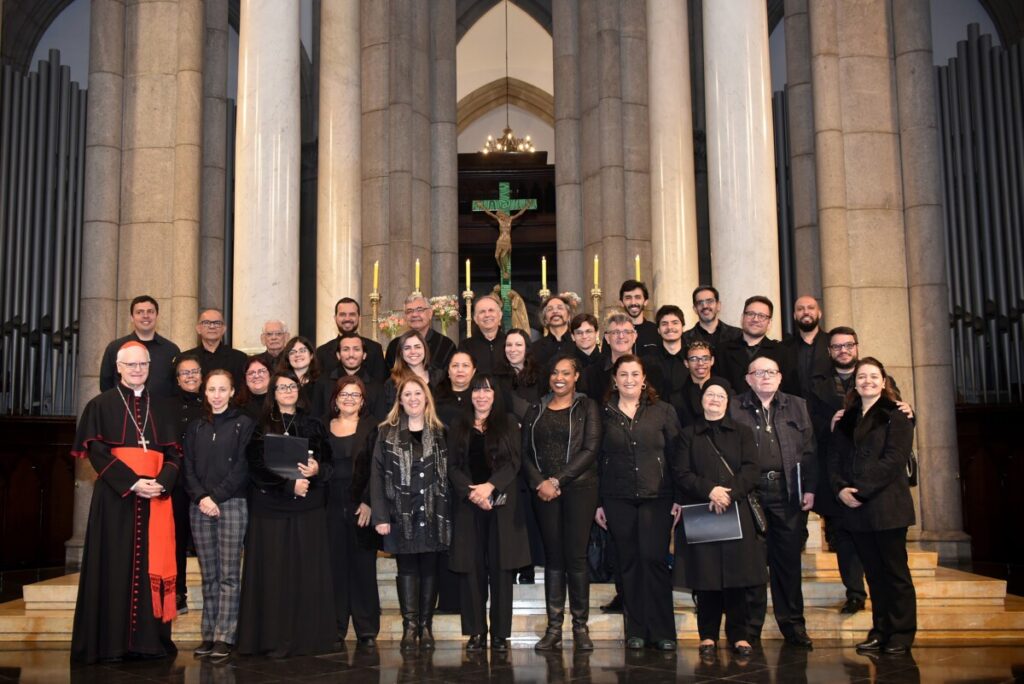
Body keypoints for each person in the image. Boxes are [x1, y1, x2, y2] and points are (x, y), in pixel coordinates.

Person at [70, 341, 181, 664]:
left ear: (150, 367)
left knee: (151, 564)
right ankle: (111, 644)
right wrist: (133, 482)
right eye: (130, 365)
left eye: (142, 365)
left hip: (155, 498)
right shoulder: (101, 405)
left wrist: (160, 484)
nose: (137, 370)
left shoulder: (163, 407)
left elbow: (174, 454)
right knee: (114, 563)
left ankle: (149, 642)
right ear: (118, 367)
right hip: (116, 500)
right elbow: (97, 451)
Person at [237, 371, 335, 657]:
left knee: (306, 574)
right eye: (282, 387)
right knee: (273, 575)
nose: (288, 391)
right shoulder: (261, 425)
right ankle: (270, 639)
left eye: (292, 386)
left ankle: (308, 639)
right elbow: (255, 467)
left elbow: (328, 465)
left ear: (299, 390)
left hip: (308, 508)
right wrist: (289, 485)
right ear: (273, 392)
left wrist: (316, 472)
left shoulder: (314, 424)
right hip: (271, 509)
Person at [829, 357, 917, 655]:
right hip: (856, 509)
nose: (867, 381)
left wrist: (862, 491)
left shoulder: (897, 415)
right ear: (854, 383)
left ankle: (902, 634)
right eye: (861, 376)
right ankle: (880, 631)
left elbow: (894, 460)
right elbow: (836, 459)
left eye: (873, 376)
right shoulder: (846, 418)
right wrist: (841, 489)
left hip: (887, 506)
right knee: (874, 576)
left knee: (895, 575)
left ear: (883, 381)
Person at [594, 355, 682, 651]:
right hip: (616, 498)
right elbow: (595, 460)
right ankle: (637, 630)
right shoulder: (602, 413)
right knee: (628, 563)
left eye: (635, 374)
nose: (629, 379)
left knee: (654, 561)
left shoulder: (663, 411)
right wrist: (598, 503)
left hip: (657, 497)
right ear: (615, 380)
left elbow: (677, 457)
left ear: (644, 379)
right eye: (623, 374)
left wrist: (679, 499)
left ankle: (663, 631)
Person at [730, 355, 817, 648]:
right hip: (750, 495)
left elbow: (809, 452)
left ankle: (793, 626)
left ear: (780, 377)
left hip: (787, 493)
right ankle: (750, 629)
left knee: (788, 564)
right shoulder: (735, 407)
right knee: (753, 565)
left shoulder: (797, 405)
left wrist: (810, 488)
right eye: (758, 372)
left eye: (771, 371)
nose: (765, 376)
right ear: (748, 378)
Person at [674, 378, 766, 656]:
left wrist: (728, 493)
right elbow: (681, 472)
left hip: (735, 510)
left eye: (720, 396)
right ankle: (708, 636)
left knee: (737, 578)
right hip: (703, 511)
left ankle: (739, 635)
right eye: (709, 394)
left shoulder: (743, 432)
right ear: (702, 400)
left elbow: (752, 470)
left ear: (728, 402)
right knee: (706, 578)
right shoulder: (687, 434)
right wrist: (710, 490)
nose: (714, 399)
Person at [522, 355, 602, 651]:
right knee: (554, 559)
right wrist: (539, 482)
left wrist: (557, 480)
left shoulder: (587, 406)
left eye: (566, 373)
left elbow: (591, 448)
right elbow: (524, 452)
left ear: (576, 377)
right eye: (555, 372)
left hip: (580, 488)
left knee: (576, 558)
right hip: (543, 492)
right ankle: (554, 628)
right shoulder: (536, 408)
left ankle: (580, 628)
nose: (559, 378)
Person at [447, 375, 530, 652]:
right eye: (476, 391)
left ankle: (499, 635)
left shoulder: (507, 423)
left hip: (502, 505)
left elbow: (514, 461)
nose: (481, 396)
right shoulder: (458, 425)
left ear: (495, 395)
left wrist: (490, 488)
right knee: (472, 570)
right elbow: (453, 466)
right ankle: (476, 633)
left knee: (501, 571)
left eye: (487, 391)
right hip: (469, 506)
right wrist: (474, 493)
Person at [371, 375, 452, 651]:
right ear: (400, 400)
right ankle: (410, 627)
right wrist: (380, 517)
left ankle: (426, 627)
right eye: (408, 395)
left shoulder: (441, 431)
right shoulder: (386, 432)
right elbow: (377, 475)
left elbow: (450, 476)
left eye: (418, 393)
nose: (413, 399)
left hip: (433, 513)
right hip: (399, 513)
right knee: (406, 567)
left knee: (429, 568)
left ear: (426, 397)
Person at [182, 369, 253, 661]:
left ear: (233, 392)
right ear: (205, 392)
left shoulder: (243, 424)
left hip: (232, 503)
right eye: (212, 389)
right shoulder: (195, 427)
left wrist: (217, 497)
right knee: (209, 575)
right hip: (199, 506)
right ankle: (208, 634)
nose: (217, 395)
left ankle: (225, 636)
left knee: (228, 576)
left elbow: (242, 467)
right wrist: (201, 497)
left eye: (223, 389)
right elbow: (187, 467)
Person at [324, 375, 381, 647]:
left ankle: (366, 629)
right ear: (335, 399)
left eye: (354, 395)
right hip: (330, 505)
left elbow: (378, 469)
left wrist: (369, 501)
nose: (349, 399)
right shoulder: (323, 426)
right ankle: (335, 625)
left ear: (362, 400)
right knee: (335, 567)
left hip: (362, 505)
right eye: (344, 394)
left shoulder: (373, 427)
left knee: (363, 568)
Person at [161, 354, 205, 614]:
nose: (190, 377)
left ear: (202, 375)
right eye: (184, 373)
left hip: (204, 483)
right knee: (176, 539)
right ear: (177, 380)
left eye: (194, 372)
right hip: (177, 483)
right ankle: (178, 592)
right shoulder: (165, 406)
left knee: (206, 541)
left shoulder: (212, 403)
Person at [99, 295, 180, 400]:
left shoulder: (171, 350)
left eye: (150, 311)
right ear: (132, 318)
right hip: (123, 411)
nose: (145, 316)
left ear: (157, 316)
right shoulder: (115, 347)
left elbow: (176, 386)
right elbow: (106, 385)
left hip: (161, 412)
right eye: (139, 312)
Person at [716, 296, 788, 391]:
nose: (755, 319)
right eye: (750, 314)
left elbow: (788, 391)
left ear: (769, 323)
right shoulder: (722, 351)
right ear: (742, 318)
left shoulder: (782, 352)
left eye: (762, 316)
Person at [312, 332, 387, 421]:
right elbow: (315, 419)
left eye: (356, 349)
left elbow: (380, 423)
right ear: (338, 355)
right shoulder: (322, 383)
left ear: (364, 355)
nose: (351, 354)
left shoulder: (377, 387)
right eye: (346, 349)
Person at [316, 297, 387, 382]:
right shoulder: (322, 352)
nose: (347, 318)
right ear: (335, 318)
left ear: (359, 318)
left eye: (352, 314)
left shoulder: (375, 349)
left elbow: (380, 386)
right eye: (342, 314)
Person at [385, 294, 457, 372]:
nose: (414, 314)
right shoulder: (395, 345)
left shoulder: (446, 345)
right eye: (409, 311)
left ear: (430, 313)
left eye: (420, 310)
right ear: (405, 317)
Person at [642, 304, 689, 421]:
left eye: (675, 323)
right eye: (664, 324)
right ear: (658, 330)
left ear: (682, 326)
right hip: (656, 421)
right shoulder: (647, 362)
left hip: (689, 421)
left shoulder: (693, 358)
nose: (670, 327)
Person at [780, 295, 831, 399]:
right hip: (794, 411)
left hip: (828, 412)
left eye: (811, 308)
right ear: (794, 315)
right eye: (800, 309)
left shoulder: (833, 343)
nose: (806, 312)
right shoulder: (783, 348)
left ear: (819, 314)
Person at [580, 313, 636, 402]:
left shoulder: (649, 369)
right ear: (607, 338)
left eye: (626, 332)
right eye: (615, 332)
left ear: (634, 337)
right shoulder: (590, 374)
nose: (621, 336)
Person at [181, 308, 248, 383]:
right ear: (198, 328)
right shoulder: (184, 358)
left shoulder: (239, 358)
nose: (212, 326)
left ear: (224, 329)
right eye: (206, 322)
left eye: (217, 323)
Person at [676, 341, 733, 428]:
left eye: (705, 358)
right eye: (694, 359)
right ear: (686, 363)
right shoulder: (676, 399)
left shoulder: (728, 392)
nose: (700, 363)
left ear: (712, 361)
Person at [384, 330, 444, 407]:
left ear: (425, 350)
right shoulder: (392, 383)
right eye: (407, 348)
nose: (413, 351)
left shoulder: (440, 377)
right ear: (401, 353)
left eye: (417, 347)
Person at [458, 294, 508, 375]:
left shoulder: (510, 343)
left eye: (491, 310)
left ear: (500, 315)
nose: (487, 315)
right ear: (475, 319)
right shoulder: (466, 346)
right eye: (482, 312)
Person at [681, 286, 742, 351]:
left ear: (718, 305)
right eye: (700, 303)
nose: (705, 306)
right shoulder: (684, 339)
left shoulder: (738, 335)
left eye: (709, 301)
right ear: (695, 309)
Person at [502, 327, 541, 418]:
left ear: (527, 348)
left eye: (518, 345)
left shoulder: (540, 375)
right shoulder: (497, 376)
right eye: (509, 345)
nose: (513, 349)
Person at [434, 351, 477, 427]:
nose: (460, 370)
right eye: (455, 365)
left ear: (473, 371)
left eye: (465, 365)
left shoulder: (481, 397)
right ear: (449, 372)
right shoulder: (435, 397)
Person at [618, 280, 660, 355]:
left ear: (645, 302)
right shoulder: (613, 333)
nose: (633, 302)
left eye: (638, 297)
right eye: (628, 298)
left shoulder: (656, 331)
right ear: (621, 303)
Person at [275, 335, 321, 405]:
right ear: (288, 358)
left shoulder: (322, 381)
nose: (297, 355)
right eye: (292, 352)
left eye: (302, 351)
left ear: (311, 355)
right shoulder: (279, 381)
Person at [532, 295, 575, 368]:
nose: (555, 311)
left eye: (560, 308)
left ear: (569, 316)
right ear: (545, 319)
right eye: (550, 309)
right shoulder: (535, 348)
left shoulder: (578, 344)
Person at [235, 355, 272, 420]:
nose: (256, 376)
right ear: (245, 379)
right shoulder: (236, 406)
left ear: (271, 375)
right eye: (251, 373)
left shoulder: (281, 401)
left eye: (261, 371)